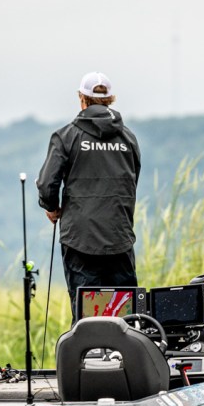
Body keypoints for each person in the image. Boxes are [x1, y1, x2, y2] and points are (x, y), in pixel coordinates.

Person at [37, 71, 142, 321]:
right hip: (119, 239)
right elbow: (132, 182)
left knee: (87, 316)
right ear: (110, 100)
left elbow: (47, 184)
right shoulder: (128, 138)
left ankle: (88, 346)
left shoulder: (66, 136)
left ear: (82, 99)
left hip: (80, 241)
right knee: (125, 316)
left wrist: (51, 207)